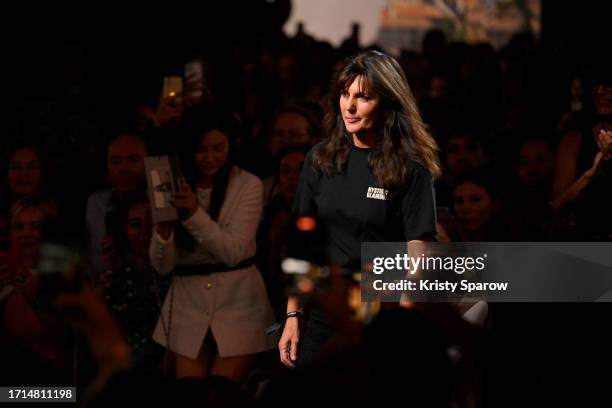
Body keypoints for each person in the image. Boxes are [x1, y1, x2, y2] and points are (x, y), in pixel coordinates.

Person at [278, 50, 441, 368]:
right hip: (324, 309)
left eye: (363, 97)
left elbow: (419, 251)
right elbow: (302, 248)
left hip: (381, 314)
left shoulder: (410, 168)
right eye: (345, 93)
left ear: (388, 103)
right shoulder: (320, 159)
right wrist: (293, 314)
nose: (349, 106)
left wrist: (404, 323)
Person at [149, 111, 276, 383]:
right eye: (201, 150)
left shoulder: (247, 184)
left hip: (239, 302)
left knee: (222, 392)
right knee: (190, 393)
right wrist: (162, 230)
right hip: (188, 305)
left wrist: (193, 214)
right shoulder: (171, 180)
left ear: (231, 146)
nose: (209, 158)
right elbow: (161, 265)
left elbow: (234, 252)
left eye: (218, 148)